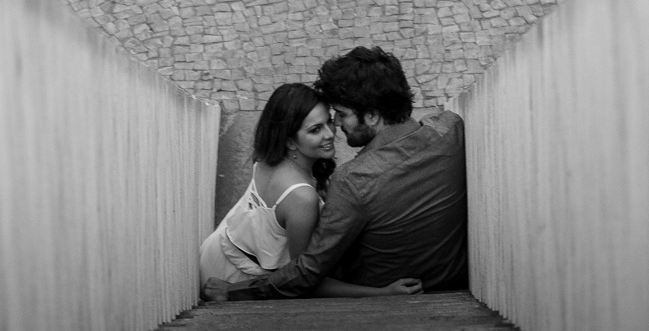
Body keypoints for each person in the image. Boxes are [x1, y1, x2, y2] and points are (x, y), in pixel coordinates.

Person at [204, 46, 468, 302]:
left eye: (341, 115)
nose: (337, 126)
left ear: (373, 116)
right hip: (450, 284)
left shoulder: (355, 181)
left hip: (378, 299)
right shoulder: (451, 130)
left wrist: (236, 292)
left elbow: (307, 272)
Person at [199, 83, 421, 298]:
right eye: (315, 130)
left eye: (328, 122)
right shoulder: (302, 198)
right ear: (290, 142)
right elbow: (304, 280)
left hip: (217, 251)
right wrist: (382, 293)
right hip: (235, 278)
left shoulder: (268, 158)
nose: (329, 134)